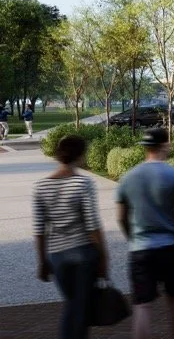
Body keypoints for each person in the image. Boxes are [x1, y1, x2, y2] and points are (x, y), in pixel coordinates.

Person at [116, 128, 174, 339]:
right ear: (165, 146)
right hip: (171, 246)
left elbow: (120, 217)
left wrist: (132, 237)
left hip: (141, 249)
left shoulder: (128, 177)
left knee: (142, 305)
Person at [33, 134, 109, 339]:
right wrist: (104, 257)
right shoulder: (83, 183)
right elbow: (93, 226)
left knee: (73, 305)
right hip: (83, 253)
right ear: (81, 155)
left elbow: (39, 230)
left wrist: (42, 261)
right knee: (79, 310)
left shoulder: (41, 186)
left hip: (58, 256)